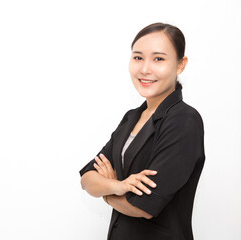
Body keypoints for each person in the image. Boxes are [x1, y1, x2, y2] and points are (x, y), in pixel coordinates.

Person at [79, 22, 205, 240]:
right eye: (138, 57)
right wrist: (119, 186)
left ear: (180, 65)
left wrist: (107, 193)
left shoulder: (184, 120)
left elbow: (144, 206)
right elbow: (87, 178)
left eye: (159, 59)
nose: (145, 69)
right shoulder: (132, 117)